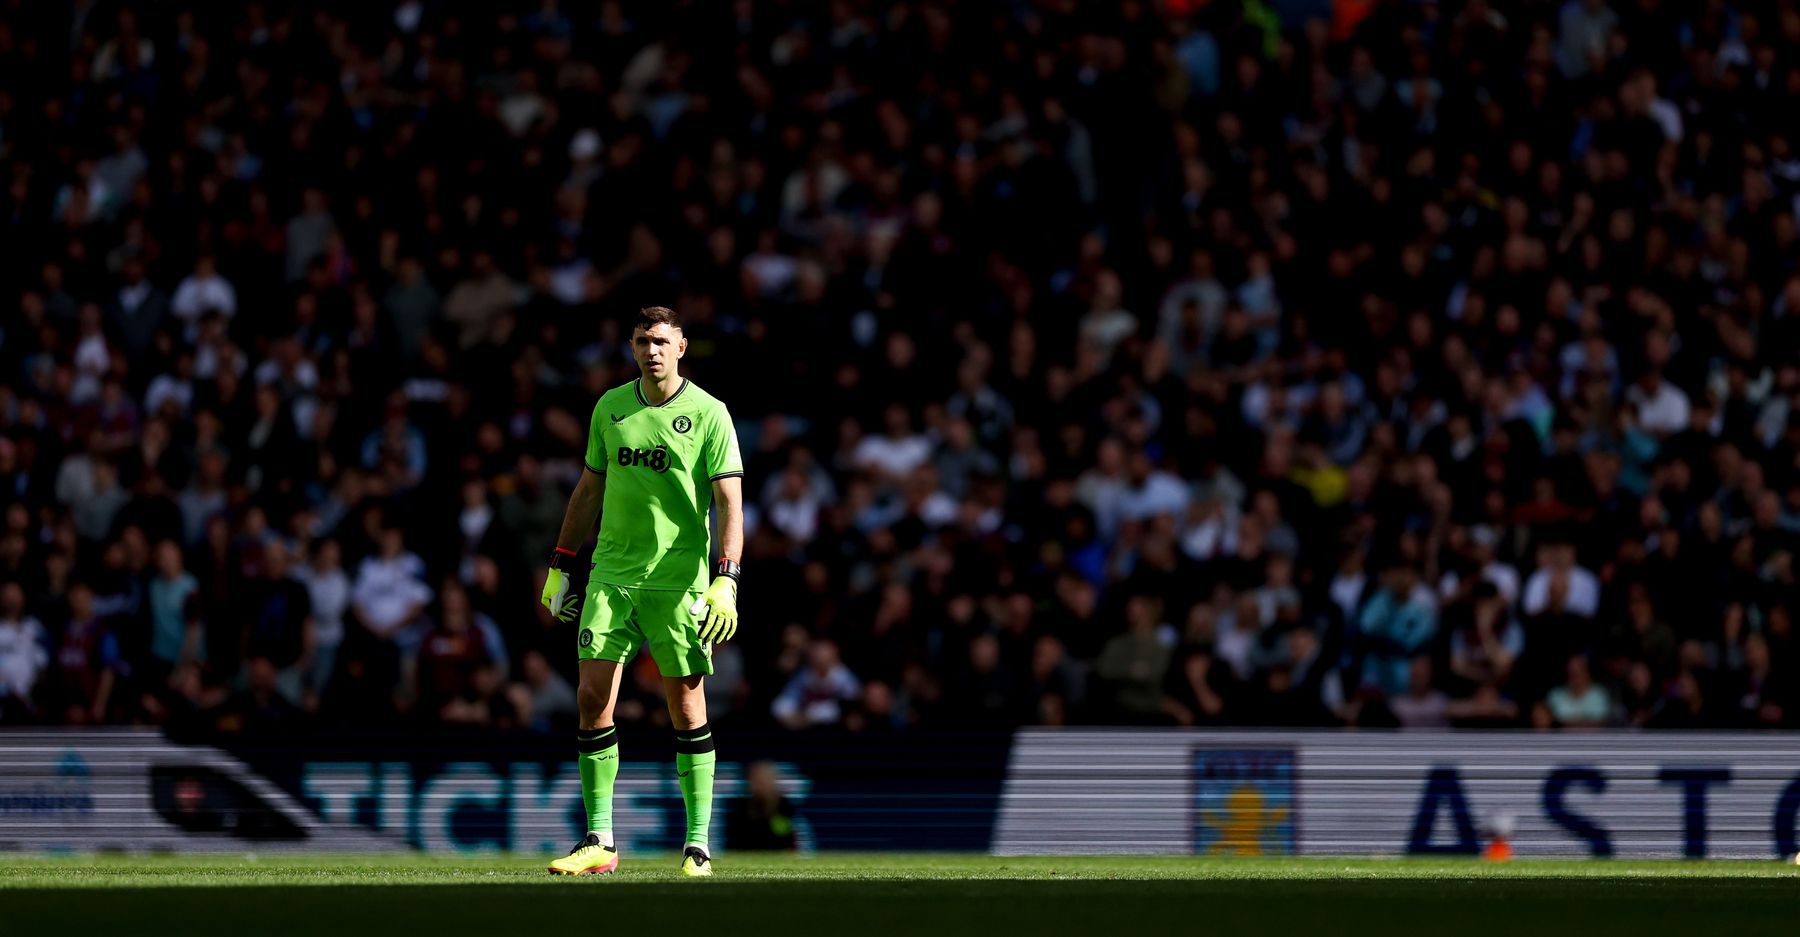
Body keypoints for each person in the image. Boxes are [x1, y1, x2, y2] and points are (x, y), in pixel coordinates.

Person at [543, 306, 744, 878]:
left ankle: (698, 845)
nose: (651, 350)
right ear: (631, 348)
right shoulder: (611, 407)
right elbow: (587, 490)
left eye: (661, 340)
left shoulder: (709, 414)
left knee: (685, 704)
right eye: (640, 341)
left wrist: (726, 579)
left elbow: (729, 501)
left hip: (679, 579)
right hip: (611, 574)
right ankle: (599, 840)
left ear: (682, 346)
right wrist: (561, 565)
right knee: (590, 697)